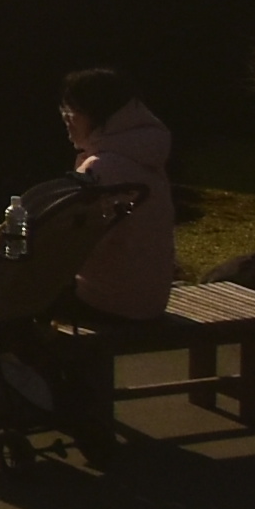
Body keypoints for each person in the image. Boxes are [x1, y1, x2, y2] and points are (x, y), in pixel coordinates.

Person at [58, 68, 180, 323]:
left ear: (96, 113)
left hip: (107, 302)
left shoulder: (103, 168)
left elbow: (74, 244)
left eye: (71, 111)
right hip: (149, 299)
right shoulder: (143, 156)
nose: (66, 119)